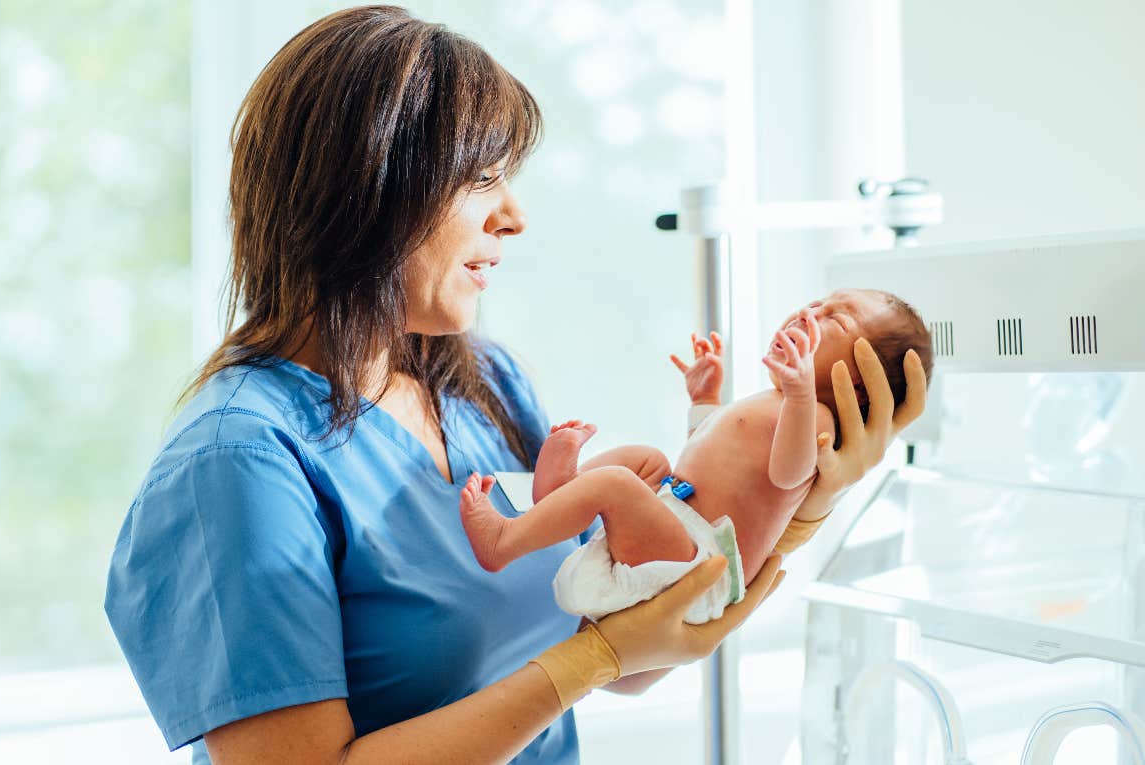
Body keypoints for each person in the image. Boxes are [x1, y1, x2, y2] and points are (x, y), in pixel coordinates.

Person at [103, 7, 926, 765]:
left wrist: (804, 504)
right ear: (369, 190)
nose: (515, 217)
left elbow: (631, 642)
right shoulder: (239, 459)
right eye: (484, 180)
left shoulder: (481, 383)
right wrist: (589, 661)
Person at [458, 289, 933, 624]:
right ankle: (558, 495)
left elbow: (788, 476)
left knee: (620, 486)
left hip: (702, 569)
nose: (811, 311)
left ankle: (505, 541)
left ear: (859, 382)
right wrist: (705, 398)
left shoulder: (817, 419)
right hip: (679, 526)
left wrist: (801, 395)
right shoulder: (777, 404)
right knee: (645, 461)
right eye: (818, 302)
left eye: (837, 319)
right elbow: (708, 455)